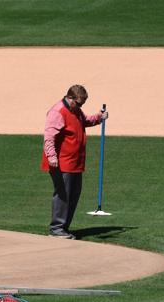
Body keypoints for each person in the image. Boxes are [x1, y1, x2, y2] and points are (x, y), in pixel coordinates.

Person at [40, 84, 108, 239]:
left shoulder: (75, 110)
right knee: (63, 194)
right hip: (61, 163)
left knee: (74, 194)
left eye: (82, 105)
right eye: (78, 104)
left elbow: (84, 121)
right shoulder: (58, 112)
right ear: (69, 98)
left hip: (75, 162)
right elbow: (49, 137)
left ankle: (63, 228)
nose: (79, 107)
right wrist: (51, 157)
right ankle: (57, 229)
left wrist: (98, 117)